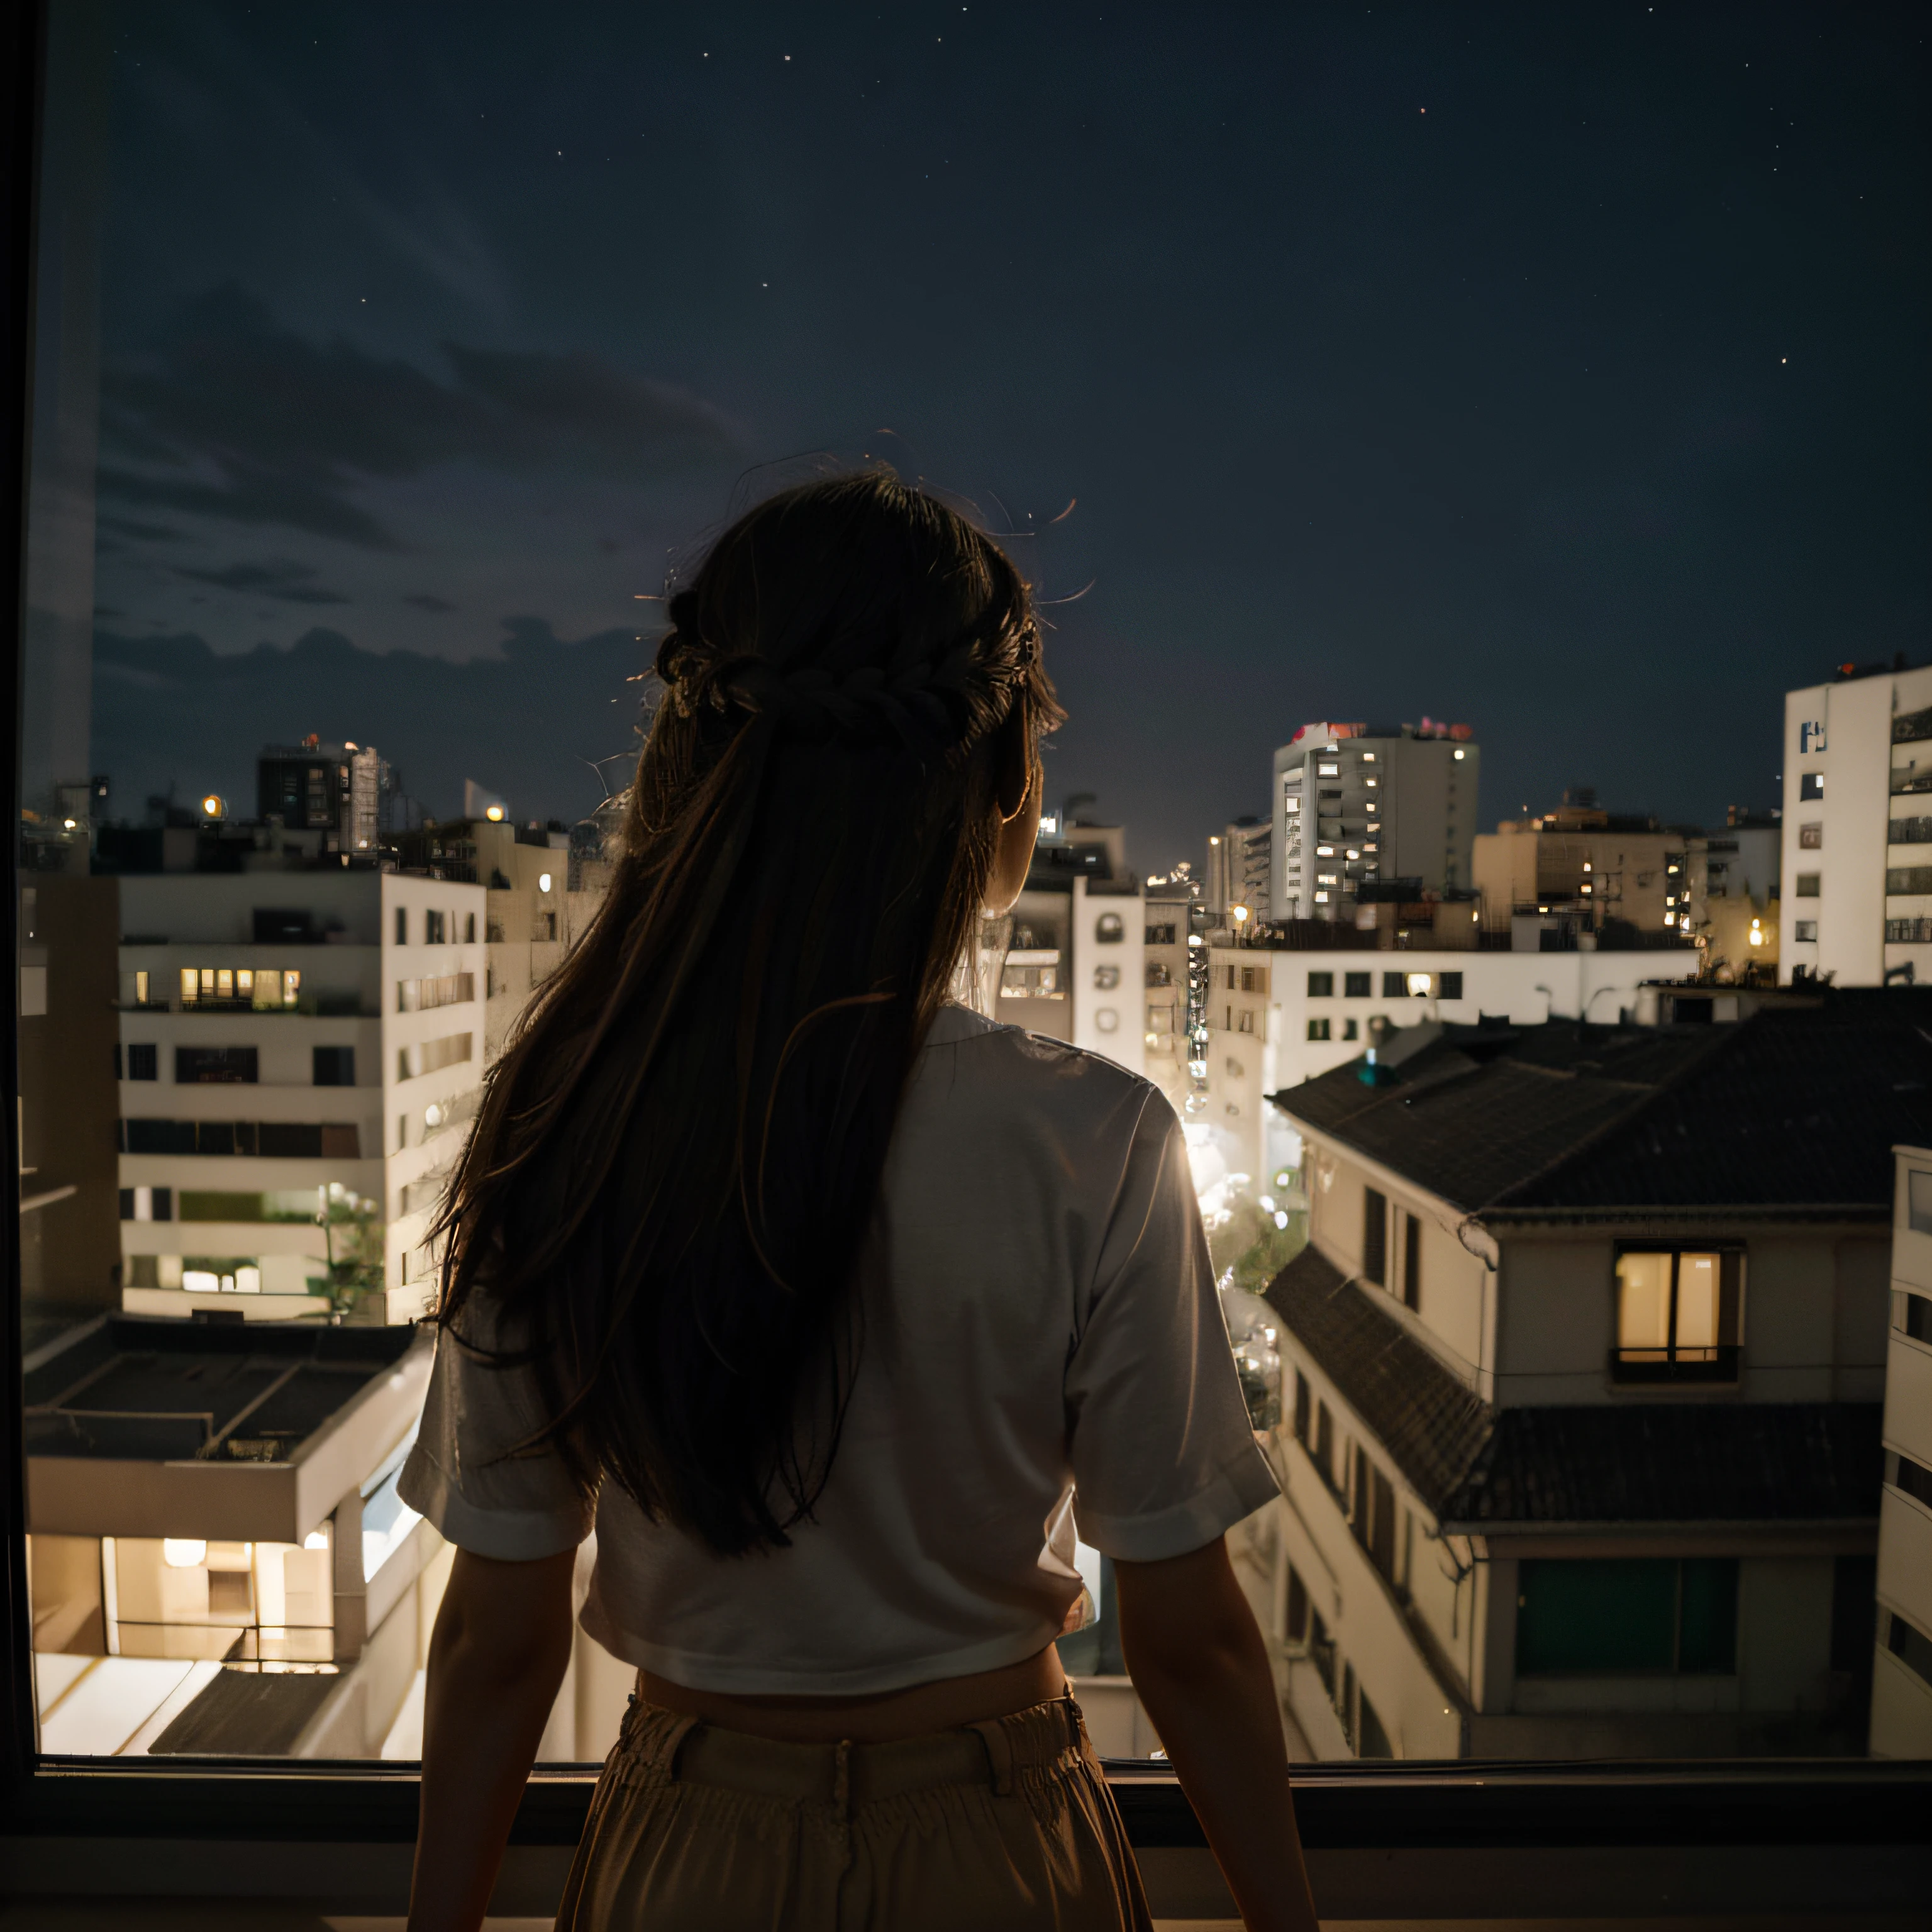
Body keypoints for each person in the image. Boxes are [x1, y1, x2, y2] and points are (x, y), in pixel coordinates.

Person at [398, 474, 1321, 1932]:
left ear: (693, 772)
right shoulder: (1093, 1136)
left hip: (684, 1851)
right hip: (1000, 1844)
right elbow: (1192, 1637)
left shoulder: (572, 1119)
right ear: (1005, 775)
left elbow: (500, 1633)